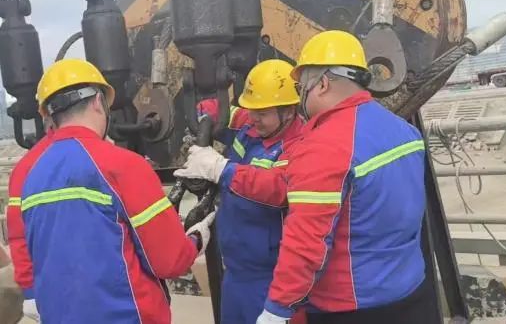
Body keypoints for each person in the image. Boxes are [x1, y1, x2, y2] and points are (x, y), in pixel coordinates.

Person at [180, 31, 428, 324]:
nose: (301, 98)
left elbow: (306, 241)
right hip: (409, 291)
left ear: (322, 84)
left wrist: (277, 309)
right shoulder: (405, 131)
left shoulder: (325, 145)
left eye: (302, 88)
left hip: (351, 303)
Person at [6, 58, 214, 324]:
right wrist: (196, 239)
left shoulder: (30, 174)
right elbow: (169, 261)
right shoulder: (124, 165)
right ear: (98, 102)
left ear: (49, 115)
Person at [175, 59, 306, 324]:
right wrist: (202, 113)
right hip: (235, 273)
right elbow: (219, 110)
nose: (254, 118)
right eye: (252, 109)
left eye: (262, 112)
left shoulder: (301, 145)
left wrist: (220, 169)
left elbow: (278, 188)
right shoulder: (251, 124)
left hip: (272, 280)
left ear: (289, 111)